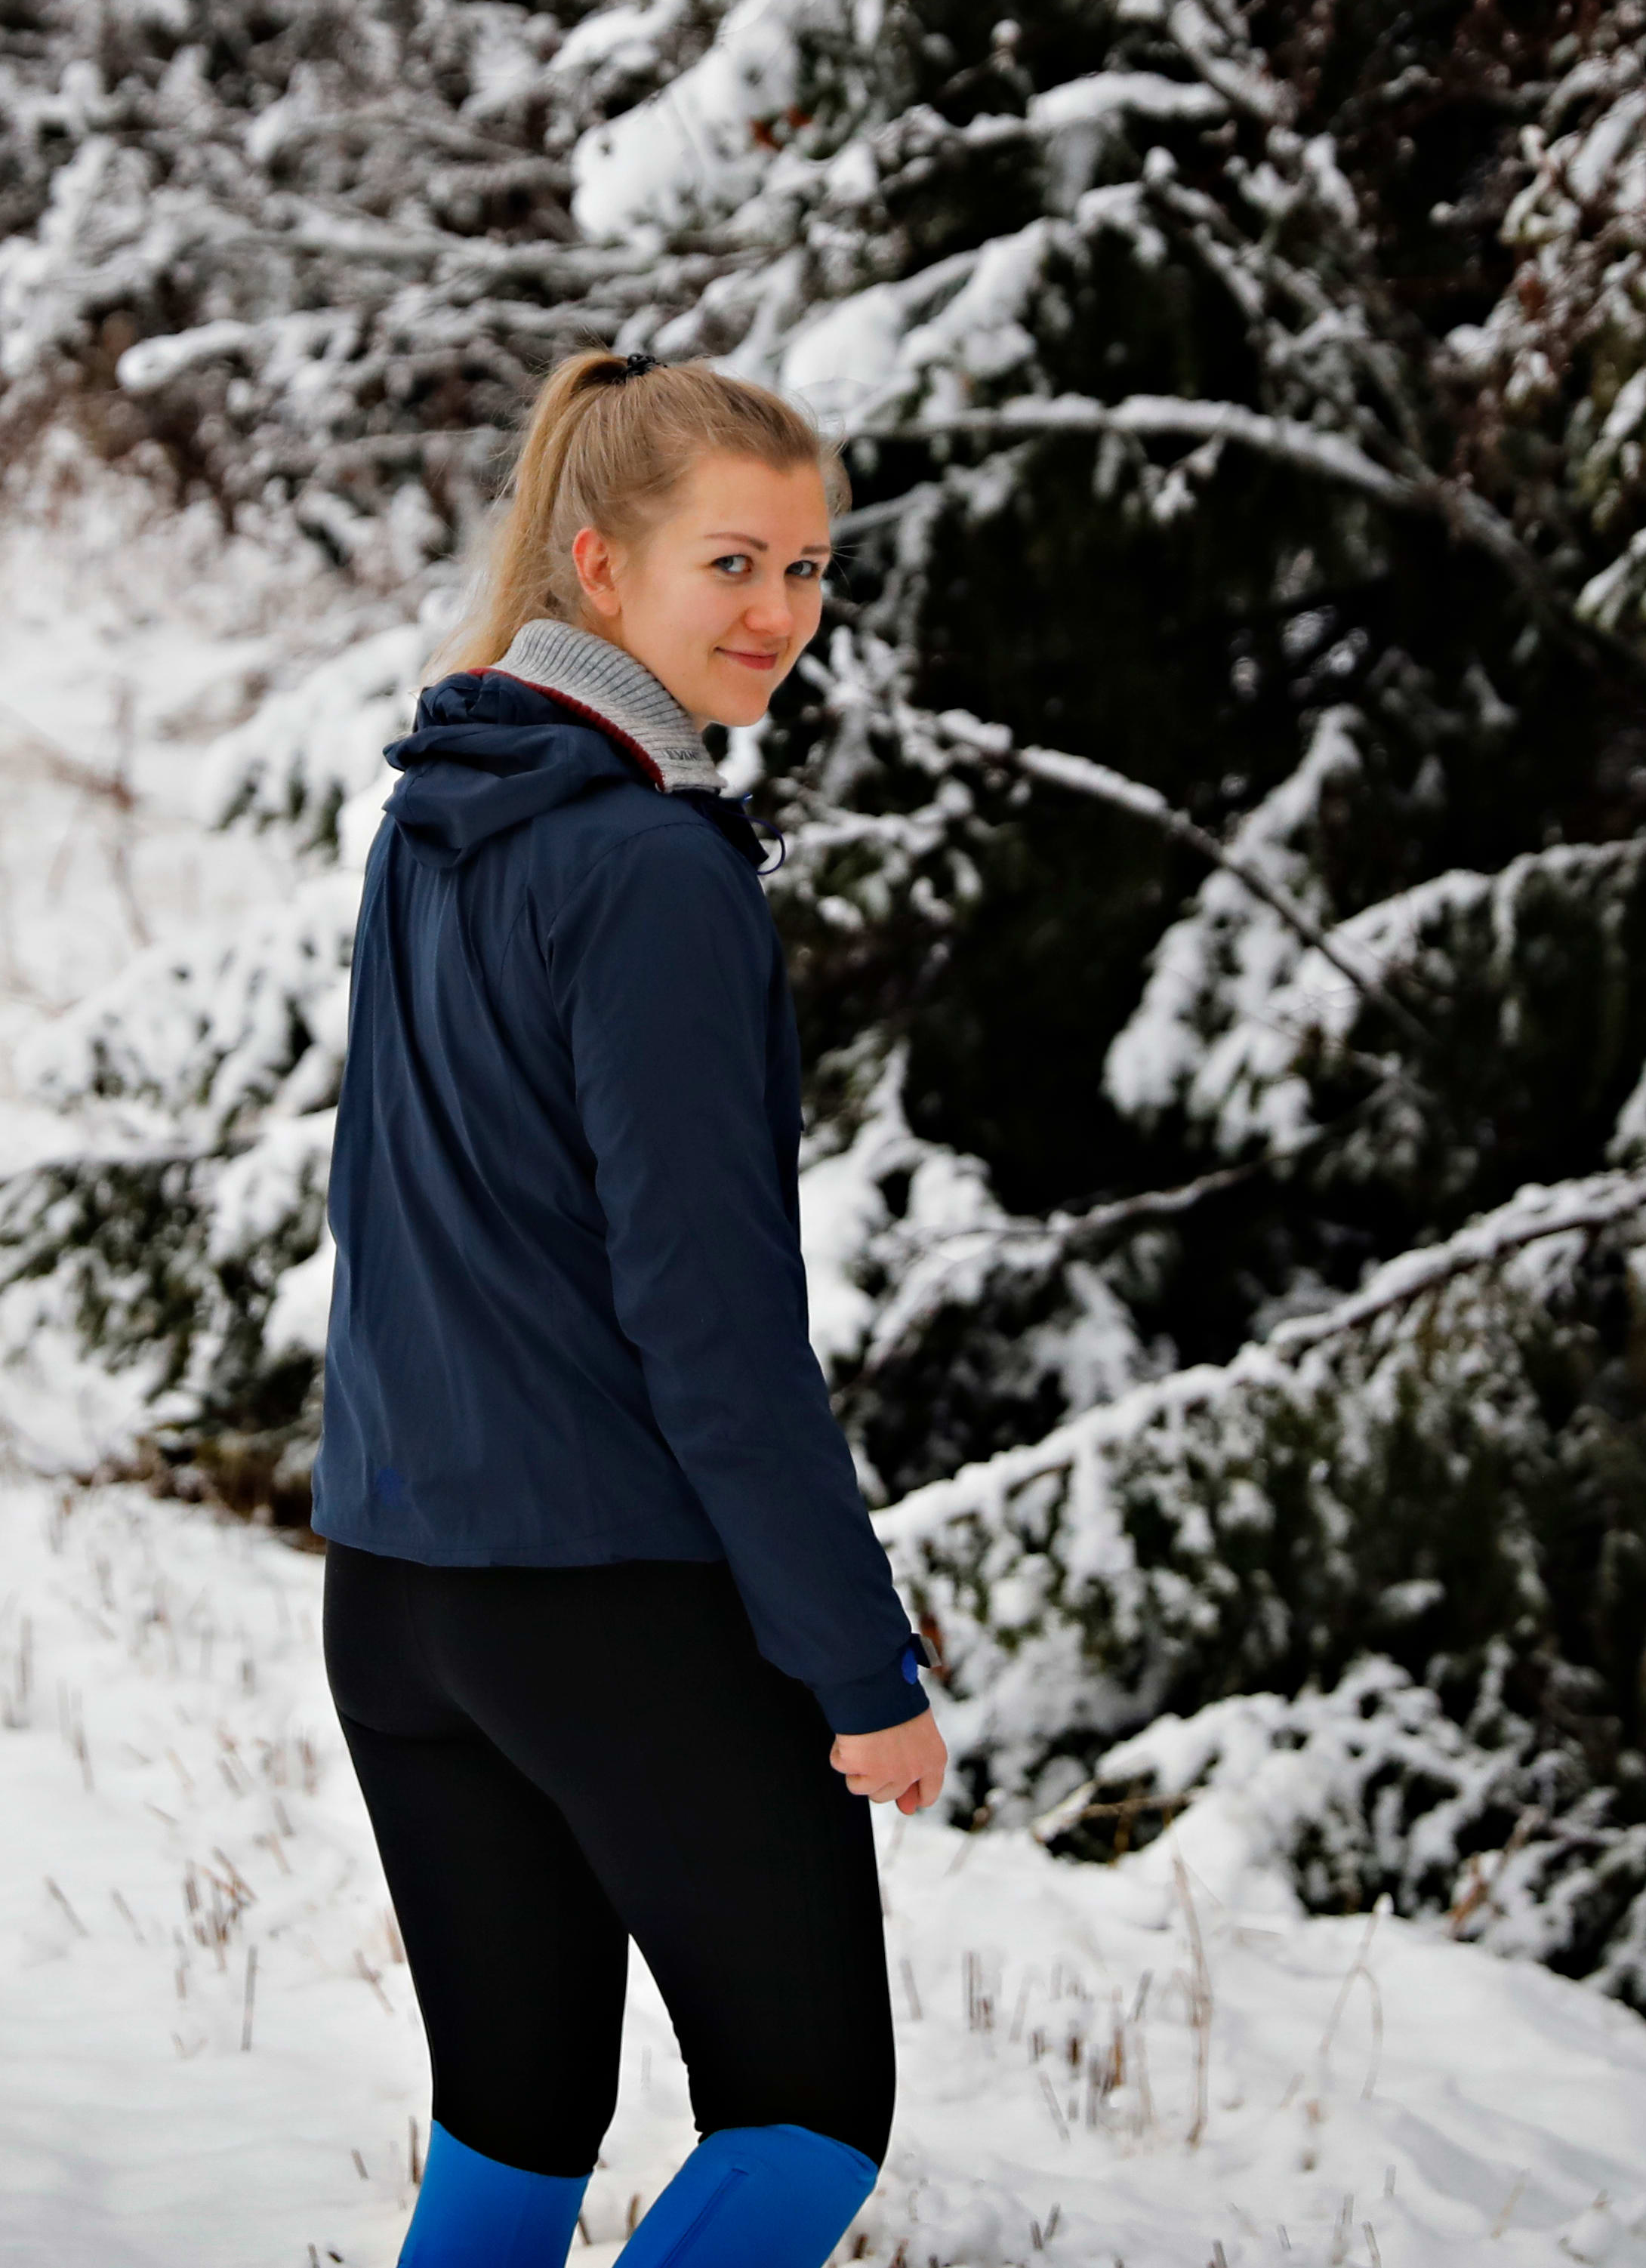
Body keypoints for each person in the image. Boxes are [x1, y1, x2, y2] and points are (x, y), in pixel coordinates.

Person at [316, 347, 945, 2268]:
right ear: (599, 565)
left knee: (511, 2133)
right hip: (613, 1601)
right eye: (730, 564)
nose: (779, 614)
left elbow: (396, 1218)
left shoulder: (436, 816)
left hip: (403, 1597)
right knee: (806, 2120)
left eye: (808, 569)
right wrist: (858, 1669)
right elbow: (712, 1325)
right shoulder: (654, 867)